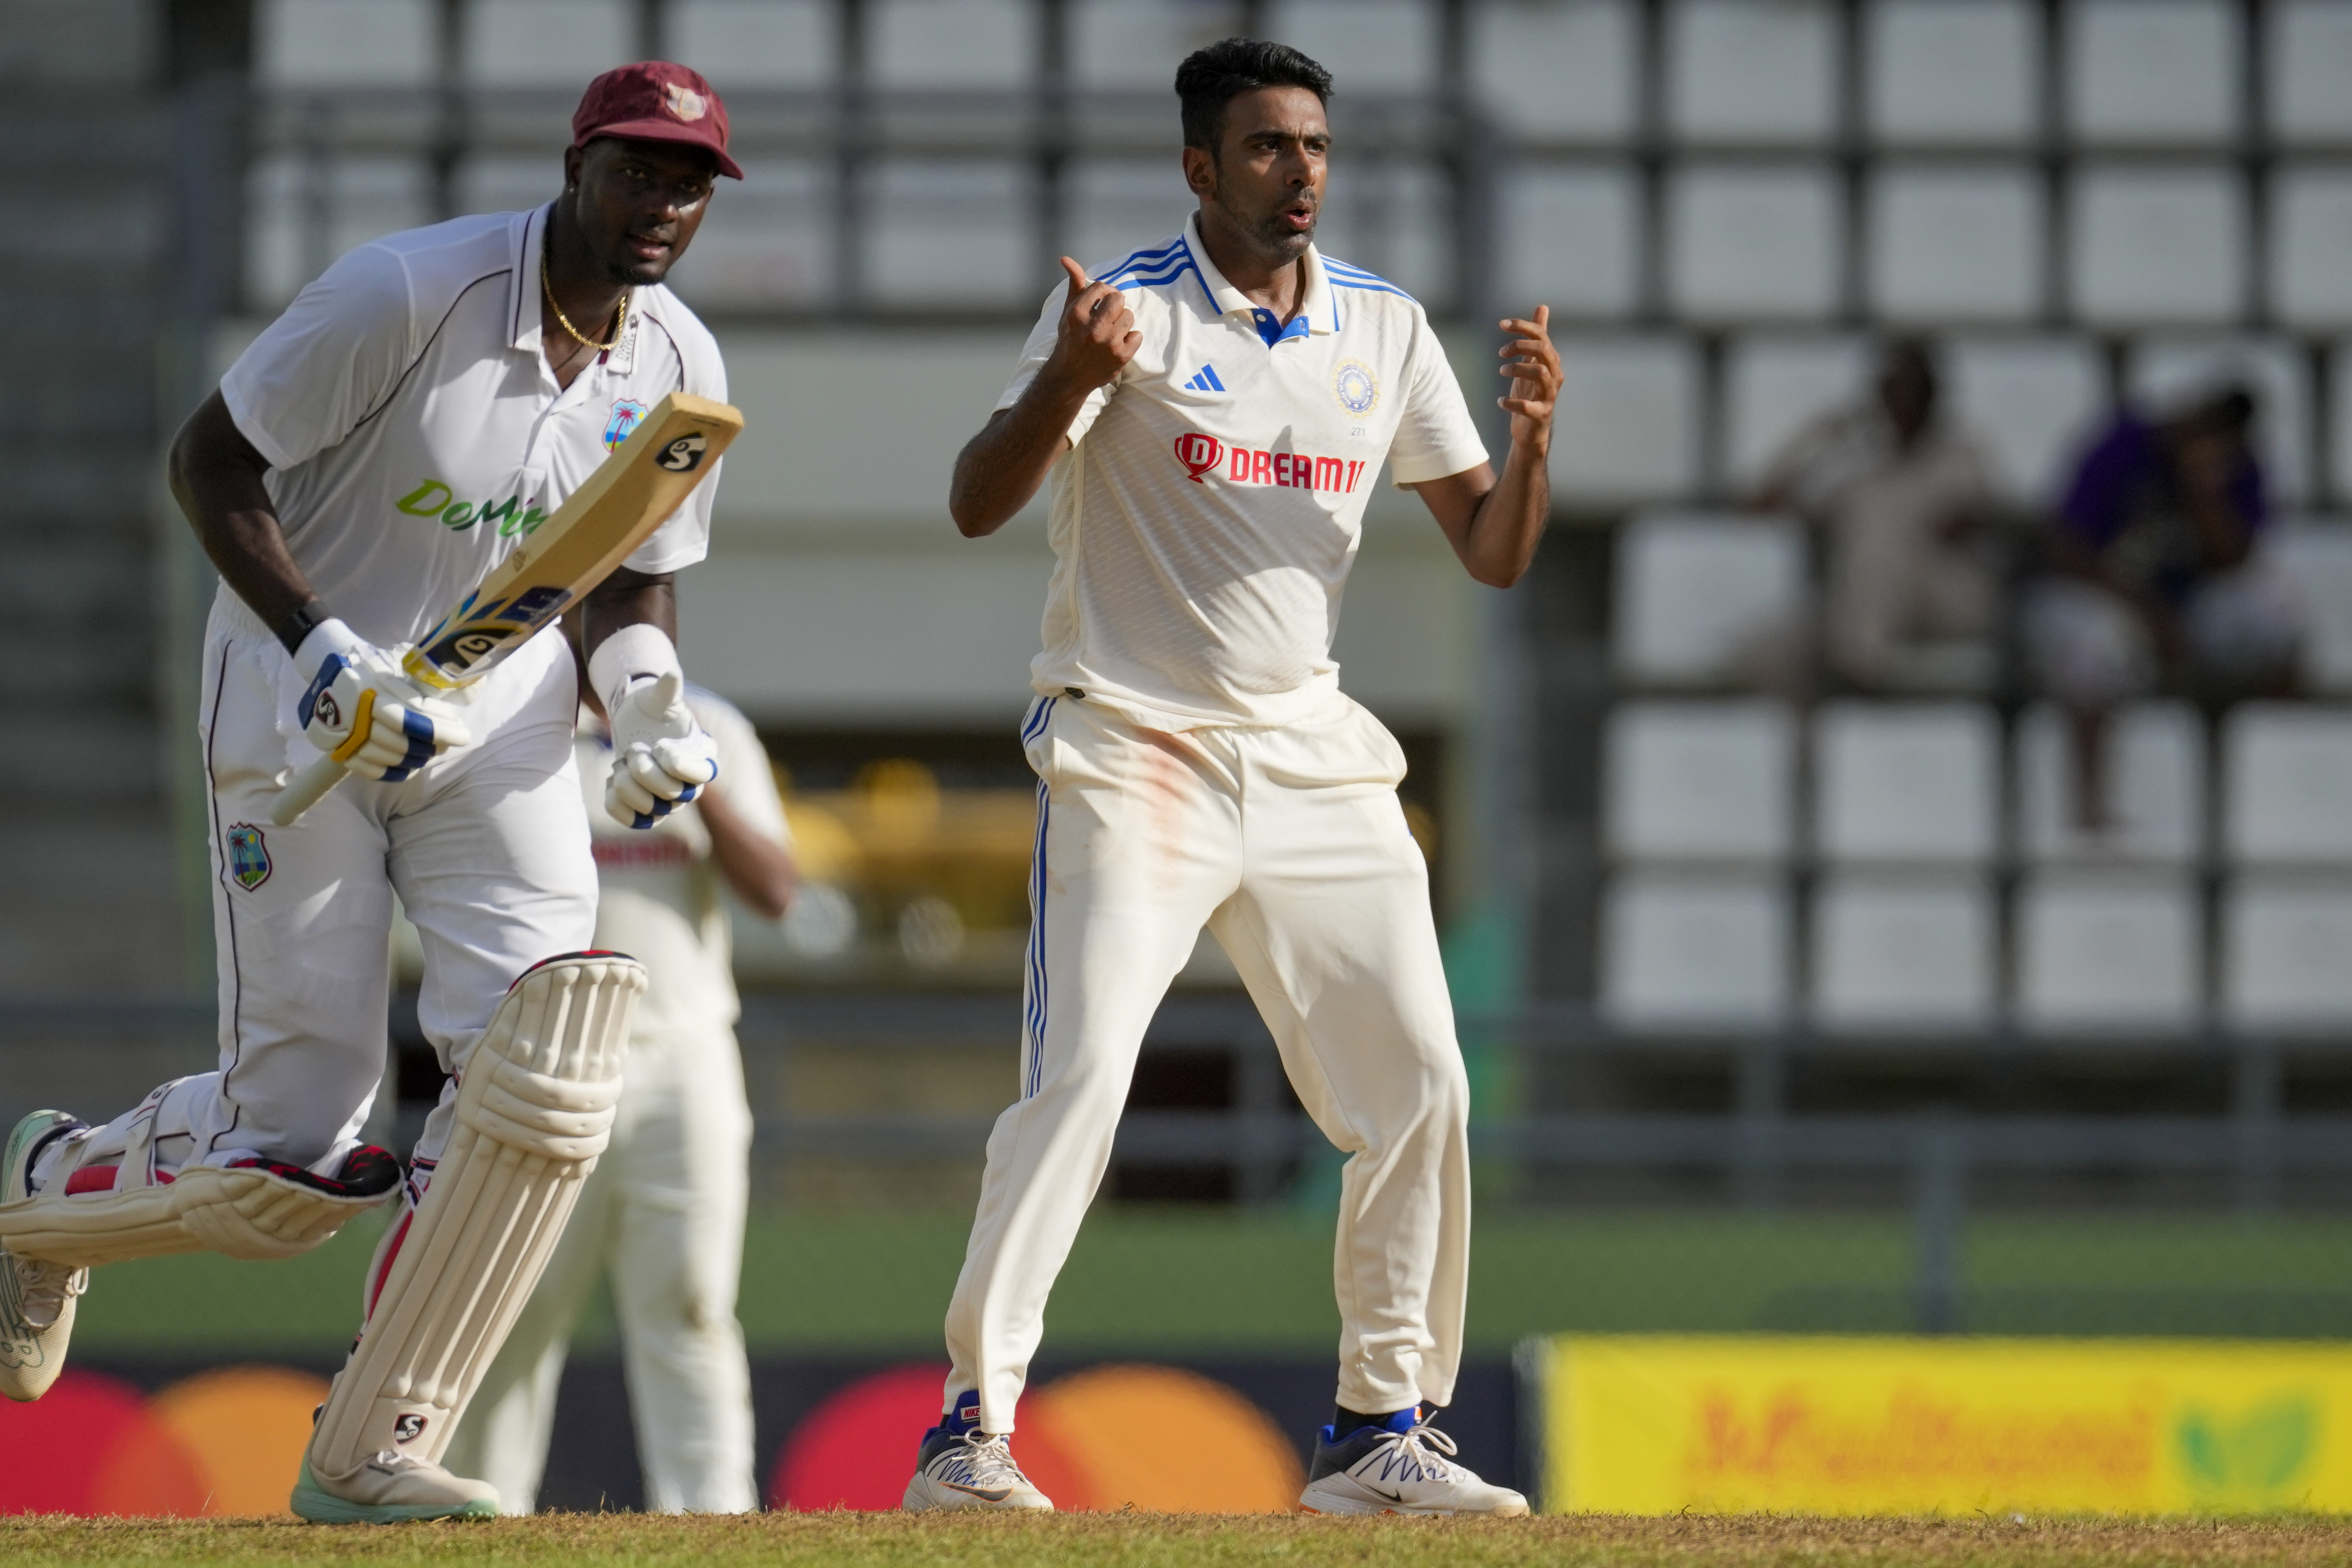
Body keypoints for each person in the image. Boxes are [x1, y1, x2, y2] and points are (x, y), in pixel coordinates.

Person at [0, 62, 738, 1523]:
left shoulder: (679, 361)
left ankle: (373, 1447)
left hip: (502, 722)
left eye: (689, 183)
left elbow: (630, 576)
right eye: (636, 171)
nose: (661, 203)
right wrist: (325, 649)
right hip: (300, 707)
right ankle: (45, 1190)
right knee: (291, 1160)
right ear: (577, 165)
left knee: (550, 1068)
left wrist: (648, 696)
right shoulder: (408, 292)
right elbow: (210, 460)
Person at [900, 38, 1554, 1518]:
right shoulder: (1122, 310)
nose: (1298, 170)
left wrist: (1533, 441)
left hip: (1312, 752)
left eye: (1314, 145)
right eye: (1266, 146)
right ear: (1200, 167)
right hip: (1138, 745)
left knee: (1423, 1084)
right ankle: (969, 1429)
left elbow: (1494, 551)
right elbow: (974, 500)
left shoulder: (1386, 326)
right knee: (1080, 1079)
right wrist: (1070, 376)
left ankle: (1379, 1429)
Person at [445, 674, 793, 1515]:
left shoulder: (711, 725)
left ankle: (712, 1522)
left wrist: (691, 777)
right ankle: (479, 1516)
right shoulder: (509, 727)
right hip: (543, 1063)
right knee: (510, 1313)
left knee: (693, 1306)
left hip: (686, 1057)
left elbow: (777, 891)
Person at [2027, 385, 2302, 831]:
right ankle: (2090, 812)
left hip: (2187, 607)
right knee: (2094, 648)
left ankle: (2279, 795)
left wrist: (2202, 493)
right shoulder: (2125, 446)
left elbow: (2237, 559)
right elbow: (2066, 550)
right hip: (2099, 598)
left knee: (2272, 622)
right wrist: (2147, 610)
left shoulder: (2237, 465)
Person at [1749, 339, 2009, 691]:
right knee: (1771, 642)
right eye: (1893, 390)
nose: (1904, 401)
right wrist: (1819, 441)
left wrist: (1964, 523)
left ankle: (1859, 663)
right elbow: (1763, 505)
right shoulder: (1850, 451)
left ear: (1933, 395)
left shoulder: (1965, 449)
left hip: (1946, 591)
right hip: (1862, 594)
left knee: (1882, 531)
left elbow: (1990, 520)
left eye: (1913, 390)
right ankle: (1854, 662)